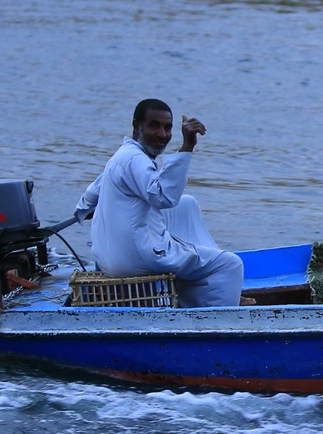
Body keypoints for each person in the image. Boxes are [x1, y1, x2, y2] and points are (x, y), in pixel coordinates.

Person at [74, 98, 245, 307]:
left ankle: (195, 270)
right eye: (154, 126)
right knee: (230, 265)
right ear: (137, 126)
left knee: (187, 204)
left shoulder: (121, 156)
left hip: (107, 258)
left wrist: (85, 212)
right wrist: (187, 146)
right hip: (134, 260)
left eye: (167, 128)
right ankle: (209, 321)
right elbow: (164, 196)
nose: (162, 134)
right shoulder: (135, 160)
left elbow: (90, 196)